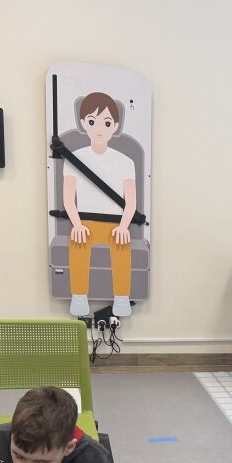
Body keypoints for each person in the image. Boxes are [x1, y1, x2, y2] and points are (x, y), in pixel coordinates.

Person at [63, 91, 137, 319]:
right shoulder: (73, 157)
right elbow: (68, 199)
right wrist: (77, 224)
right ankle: (79, 296)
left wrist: (124, 226)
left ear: (114, 126)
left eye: (106, 123)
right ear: (83, 123)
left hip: (115, 221)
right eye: (92, 121)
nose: (99, 129)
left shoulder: (125, 162)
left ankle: (122, 297)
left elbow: (131, 202)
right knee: (78, 239)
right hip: (85, 219)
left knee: (121, 241)